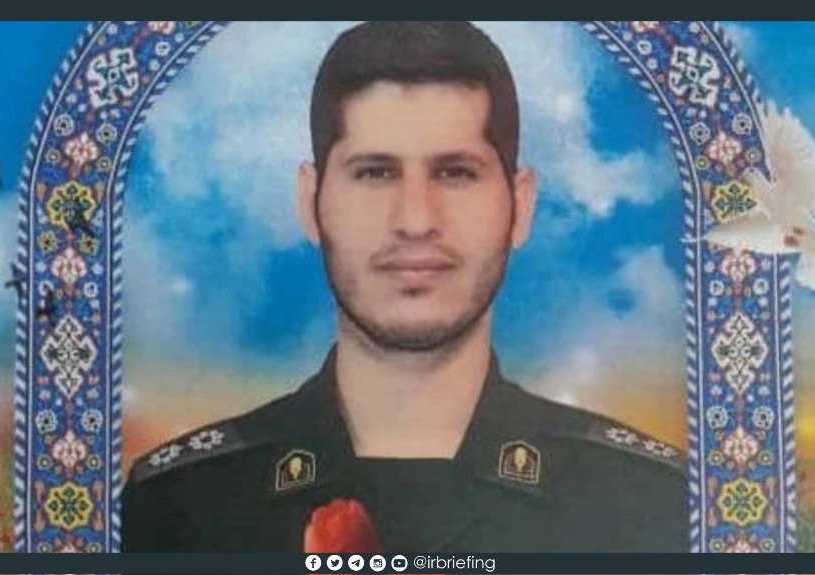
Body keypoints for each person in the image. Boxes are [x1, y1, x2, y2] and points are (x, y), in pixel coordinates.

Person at [121, 20, 687, 553]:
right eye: (375, 172)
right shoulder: (176, 507)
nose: (416, 220)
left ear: (520, 206)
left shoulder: (648, 500)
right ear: (311, 203)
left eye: (455, 173)